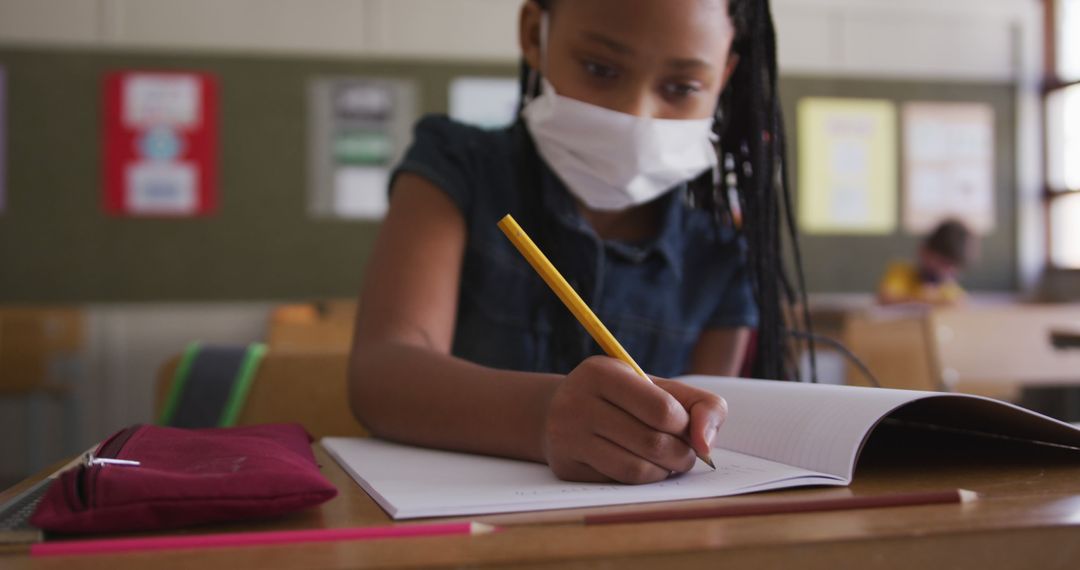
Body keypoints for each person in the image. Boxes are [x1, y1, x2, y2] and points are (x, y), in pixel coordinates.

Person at [348, 0, 809, 485]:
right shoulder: (456, 168)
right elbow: (382, 375)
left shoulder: (720, 256)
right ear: (533, 33)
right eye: (600, 69)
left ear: (724, 74)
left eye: (681, 88)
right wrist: (541, 415)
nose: (635, 113)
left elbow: (707, 433)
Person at [878, 219, 976, 306]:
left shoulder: (948, 288)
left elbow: (960, 302)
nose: (944, 271)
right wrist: (926, 298)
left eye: (952, 268)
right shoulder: (901, 272)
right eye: (942, 263)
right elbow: (885, 298)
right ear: (924, 252)